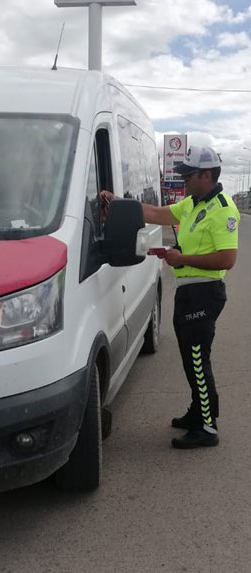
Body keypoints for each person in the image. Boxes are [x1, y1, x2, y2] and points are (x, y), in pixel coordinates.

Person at [101, 145, 239, 449]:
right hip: (189, 292)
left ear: (206, 175)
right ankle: (198, 413)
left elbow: (228, 258)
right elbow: (157, 213)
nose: (183, 181)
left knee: (198, 359)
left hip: (205, 292)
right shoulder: (192, 203)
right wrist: (119, 203)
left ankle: (207, 427)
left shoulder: (223, 209)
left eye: (188, 175)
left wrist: (183, 258)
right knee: (191, 359)